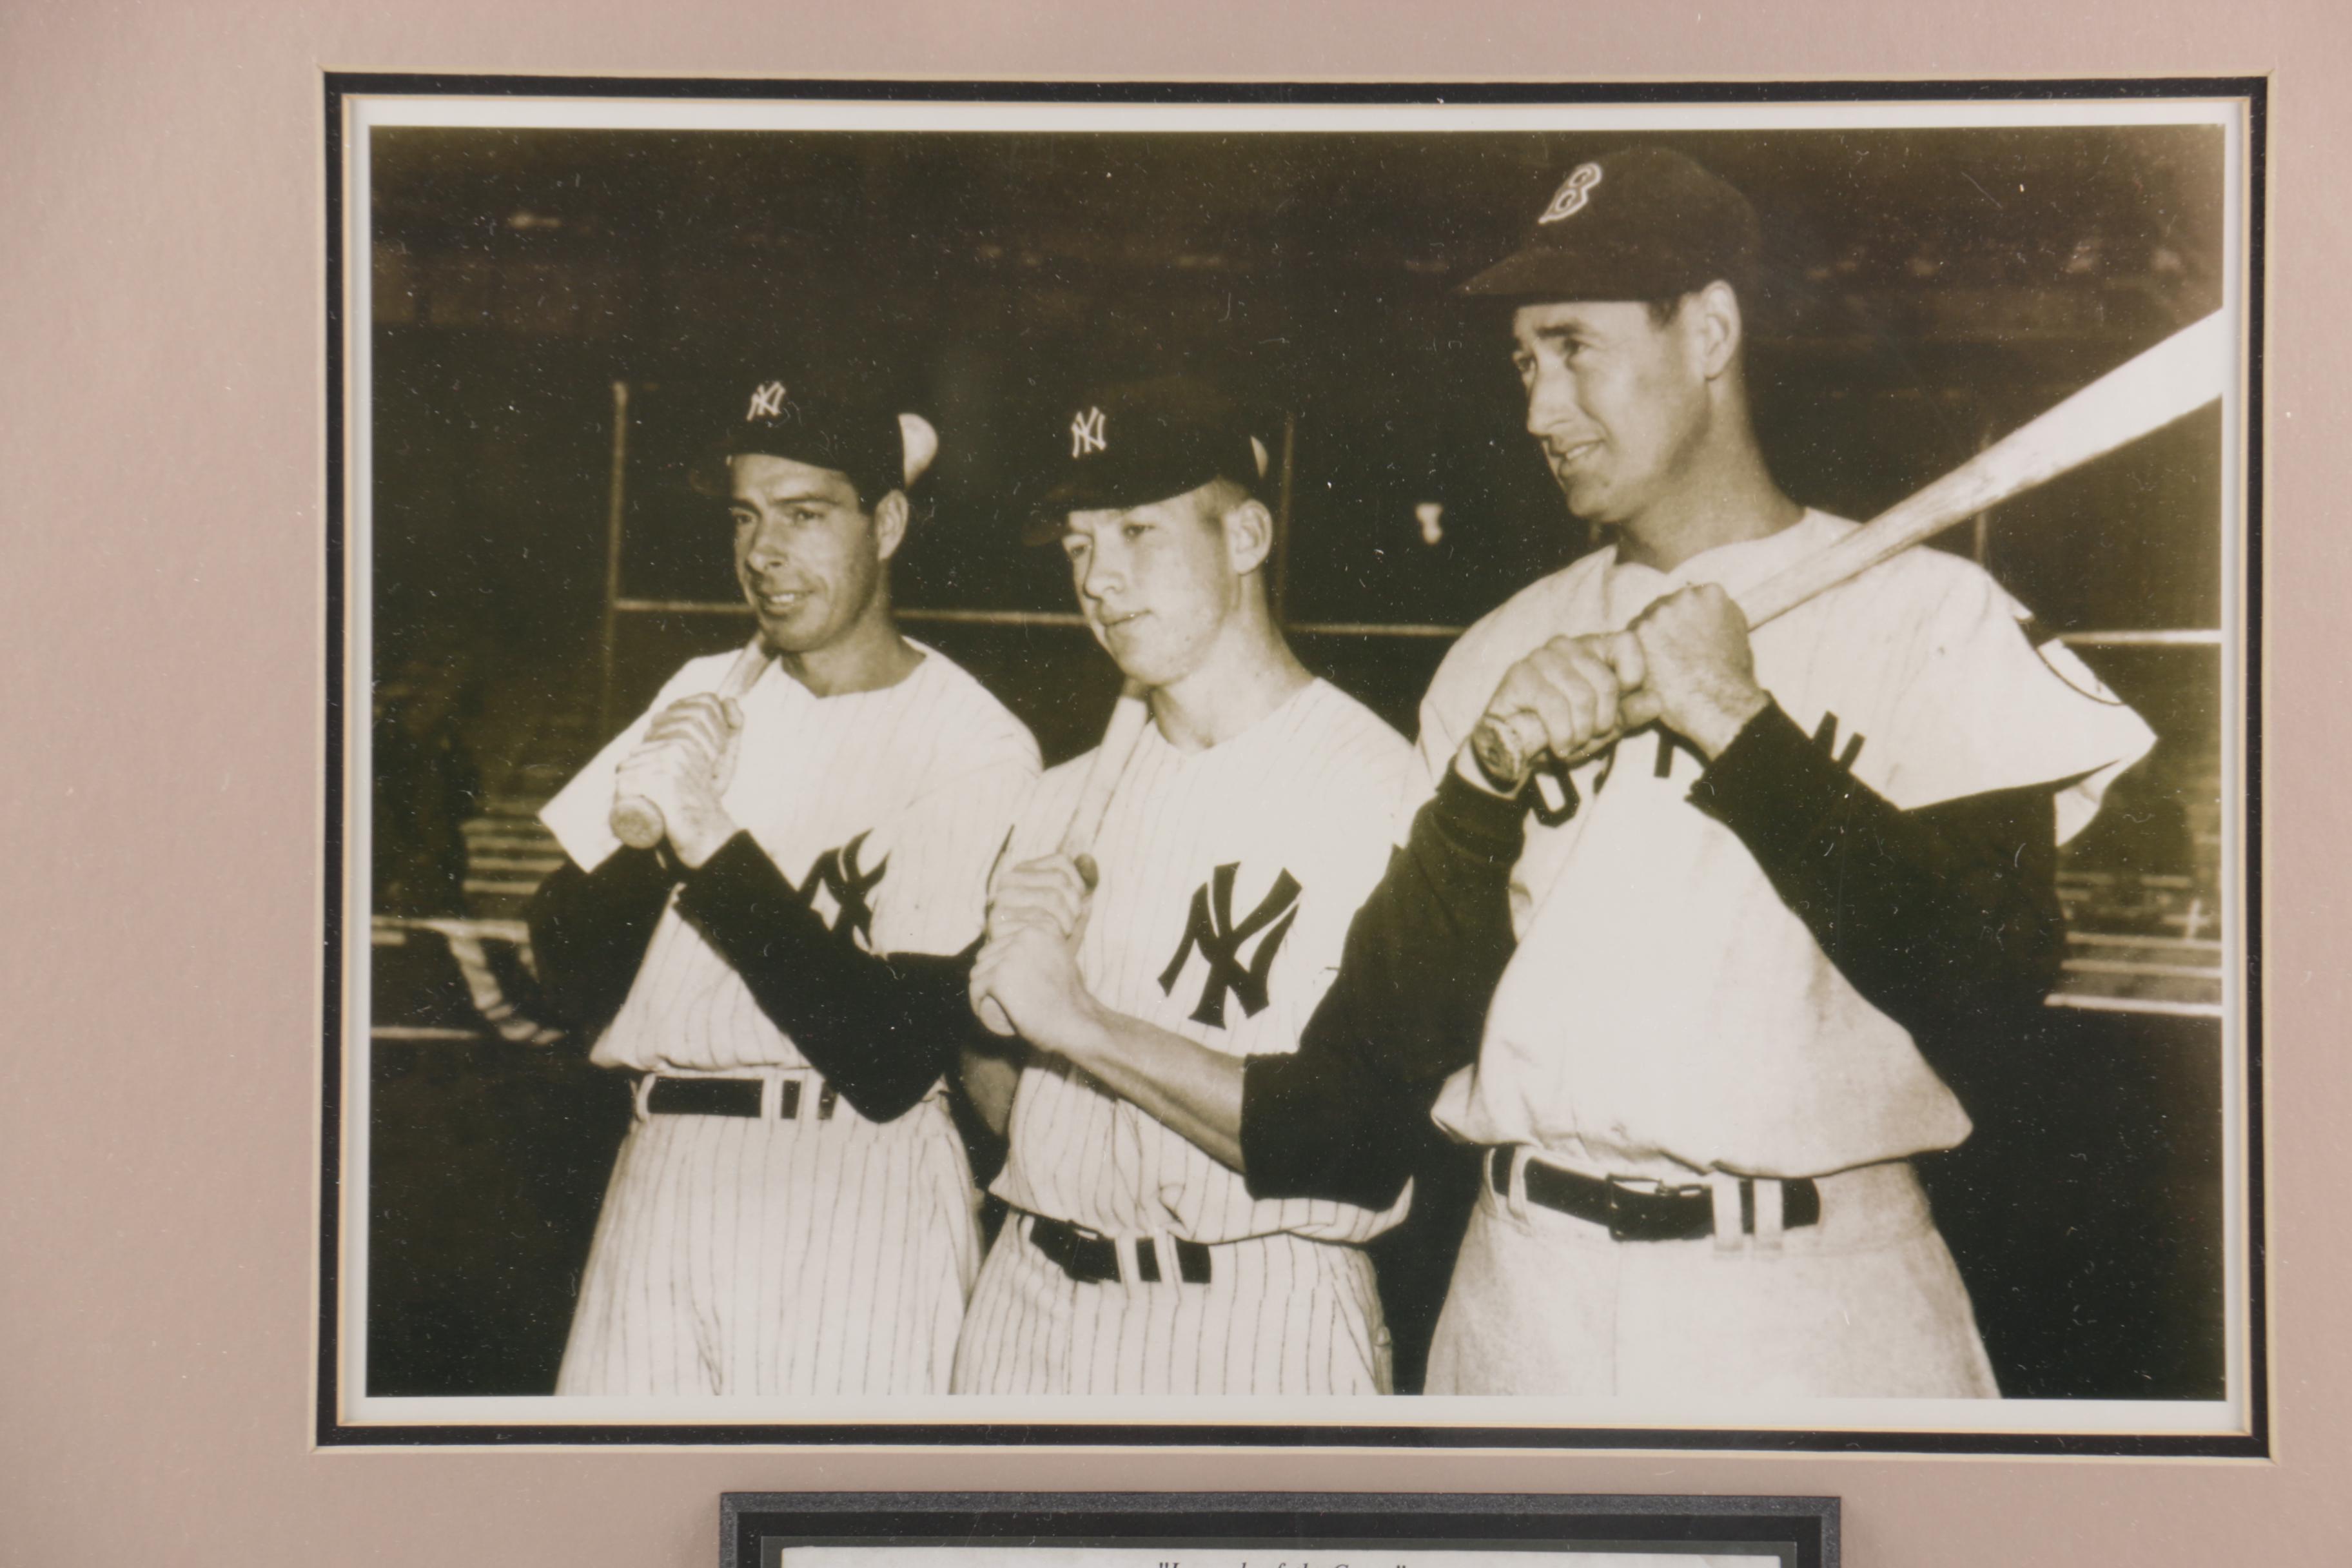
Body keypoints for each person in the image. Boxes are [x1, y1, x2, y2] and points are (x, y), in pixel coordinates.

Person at [1190, 145, 2159, 1399]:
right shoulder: (1499, 653)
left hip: (1814, 1300)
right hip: (1519, 1296)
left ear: (1708, 333)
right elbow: (1384, 1053)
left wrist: (1742, 731)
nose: (1540, 408)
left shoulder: (1931, 616)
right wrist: (1482, 793)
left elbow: (1992, 989)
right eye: (1525, 363)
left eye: (1575, 347)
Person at [525, 370, 1039, 1397]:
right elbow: (568, 970)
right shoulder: (703, 690)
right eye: (747, 518)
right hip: (661, 1162)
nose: (765, 554)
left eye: (805, 516)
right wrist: (646, 844)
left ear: (886, 523)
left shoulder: (973, 741)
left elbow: (890, 1056)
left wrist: (709, 843)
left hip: (851, 1182)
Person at [946, 377, 1416, 1396]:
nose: (1100, 581)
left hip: (1253, 1316)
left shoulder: (1375, 787)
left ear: (1246, 537)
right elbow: (997, 1090)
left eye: (1136, 532)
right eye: (1078, 545)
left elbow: (1351, 1142)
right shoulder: (1061, 801)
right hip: (1025, 1299)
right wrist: (993, 1008)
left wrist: (1076, 1022)